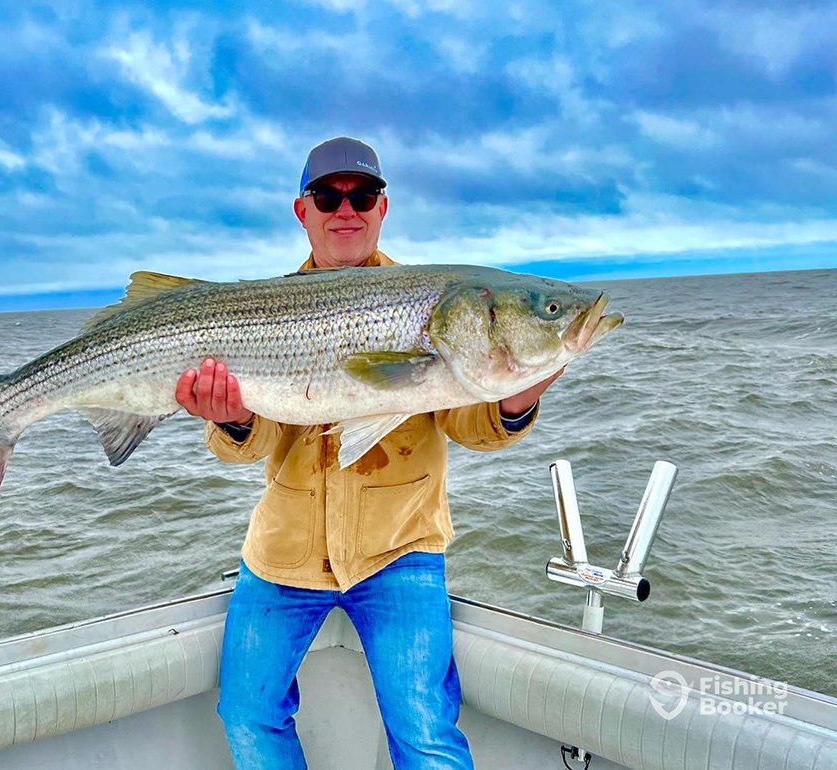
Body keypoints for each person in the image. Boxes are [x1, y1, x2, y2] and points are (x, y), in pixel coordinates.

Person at [174, 137, 563, 769]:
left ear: (384, 208)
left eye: (363, 195)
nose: (345, 209)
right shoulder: (259, 309)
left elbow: (471, 423)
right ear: (303, 212)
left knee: (425, 731)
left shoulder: (431, 303)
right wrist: (237, 420)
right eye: (328, 196)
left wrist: (515, 397)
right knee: (246, 711)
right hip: (285, 554)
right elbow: (253, 447)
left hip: (400, 549)